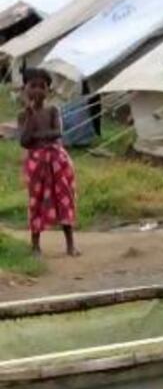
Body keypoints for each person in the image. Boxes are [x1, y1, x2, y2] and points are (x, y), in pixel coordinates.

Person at [17, 68, 79, 257]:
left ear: (48, 91)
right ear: (24, 89)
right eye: (32, 86)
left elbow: (56, 133)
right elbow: (25, 141)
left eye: (42, 87)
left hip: (57, 161)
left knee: (64, 198)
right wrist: (30, 114)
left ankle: (70, 244)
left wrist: (37, 135)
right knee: (36, 201)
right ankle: (35, 245)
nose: (37, 90)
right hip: (36, 163)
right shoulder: (23, 115)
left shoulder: (52, 110)